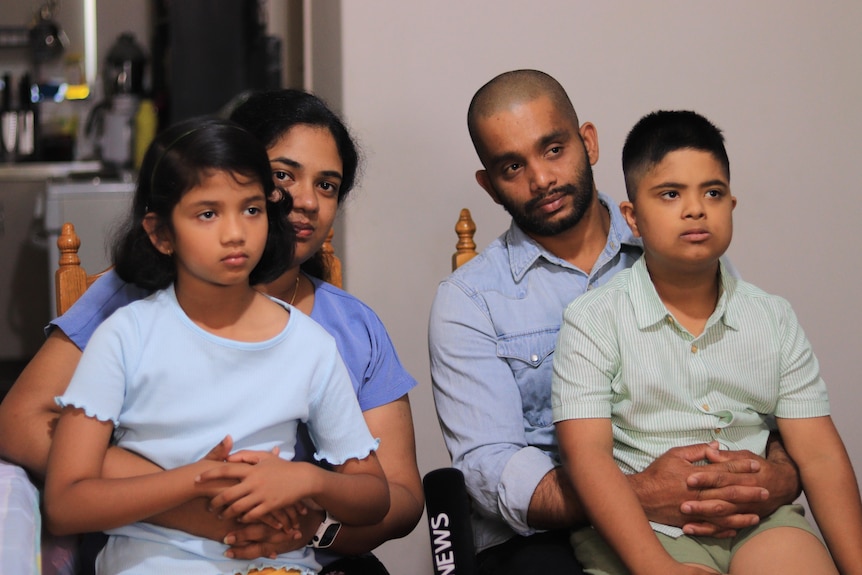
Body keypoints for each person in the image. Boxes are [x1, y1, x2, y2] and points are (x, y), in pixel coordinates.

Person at [0, 90, 422, 575]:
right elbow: (21, 421)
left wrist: (310, 525)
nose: (305, 201)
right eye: (284, 176)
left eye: (328, 185)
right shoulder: (134, 308)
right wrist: (198, 501)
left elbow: (397, 496)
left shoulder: (334, 334)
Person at [428, 70, 802, 575]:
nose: (540, 179)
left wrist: (779, 474)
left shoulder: (678, 239)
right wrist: (637, 494)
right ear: (489, 185)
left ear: (589, 142)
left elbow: (760, 386)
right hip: (546, 533)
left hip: (708, 506)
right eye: (512, 166)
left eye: (554, 149)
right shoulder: (468, 300)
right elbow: (491, 467)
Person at [551, 110, 862, 574]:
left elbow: (818, 453)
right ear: (632, 218)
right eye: (671, 194)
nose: (696, 209)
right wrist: (657, 567)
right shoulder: (593, 320)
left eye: (712, 193)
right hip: (644, 530)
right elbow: (588, 459)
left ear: (731, 207)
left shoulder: (772, 318)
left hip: (759, 523)